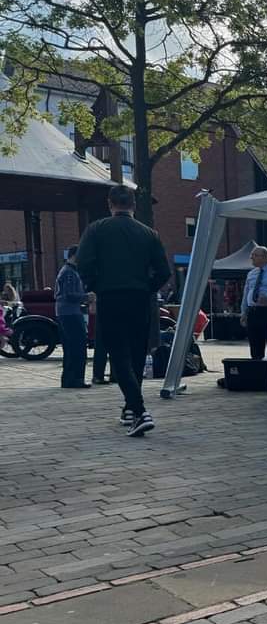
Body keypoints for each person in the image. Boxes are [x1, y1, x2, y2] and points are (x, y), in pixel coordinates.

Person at [77, 184, 170, 436]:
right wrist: (146, 288)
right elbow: (164, 272)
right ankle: (130, 408)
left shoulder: (96, 230)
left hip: (111, 297)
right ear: (134, 205)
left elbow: (83, 264)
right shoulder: (149, 233)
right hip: (140, 299)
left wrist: (97, 286)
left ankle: (139, 411)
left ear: (110, 204)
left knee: (118, 356)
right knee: (137, 354)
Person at [54, 246, 91, 388]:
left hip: (64, 312)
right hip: (71, 312)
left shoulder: (67, 271)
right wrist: (86, 297)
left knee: (69, 347)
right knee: (78, 345)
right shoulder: (70, 273)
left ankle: (68, 379)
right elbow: (69, 294)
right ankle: (76, 378)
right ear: (75, 256)